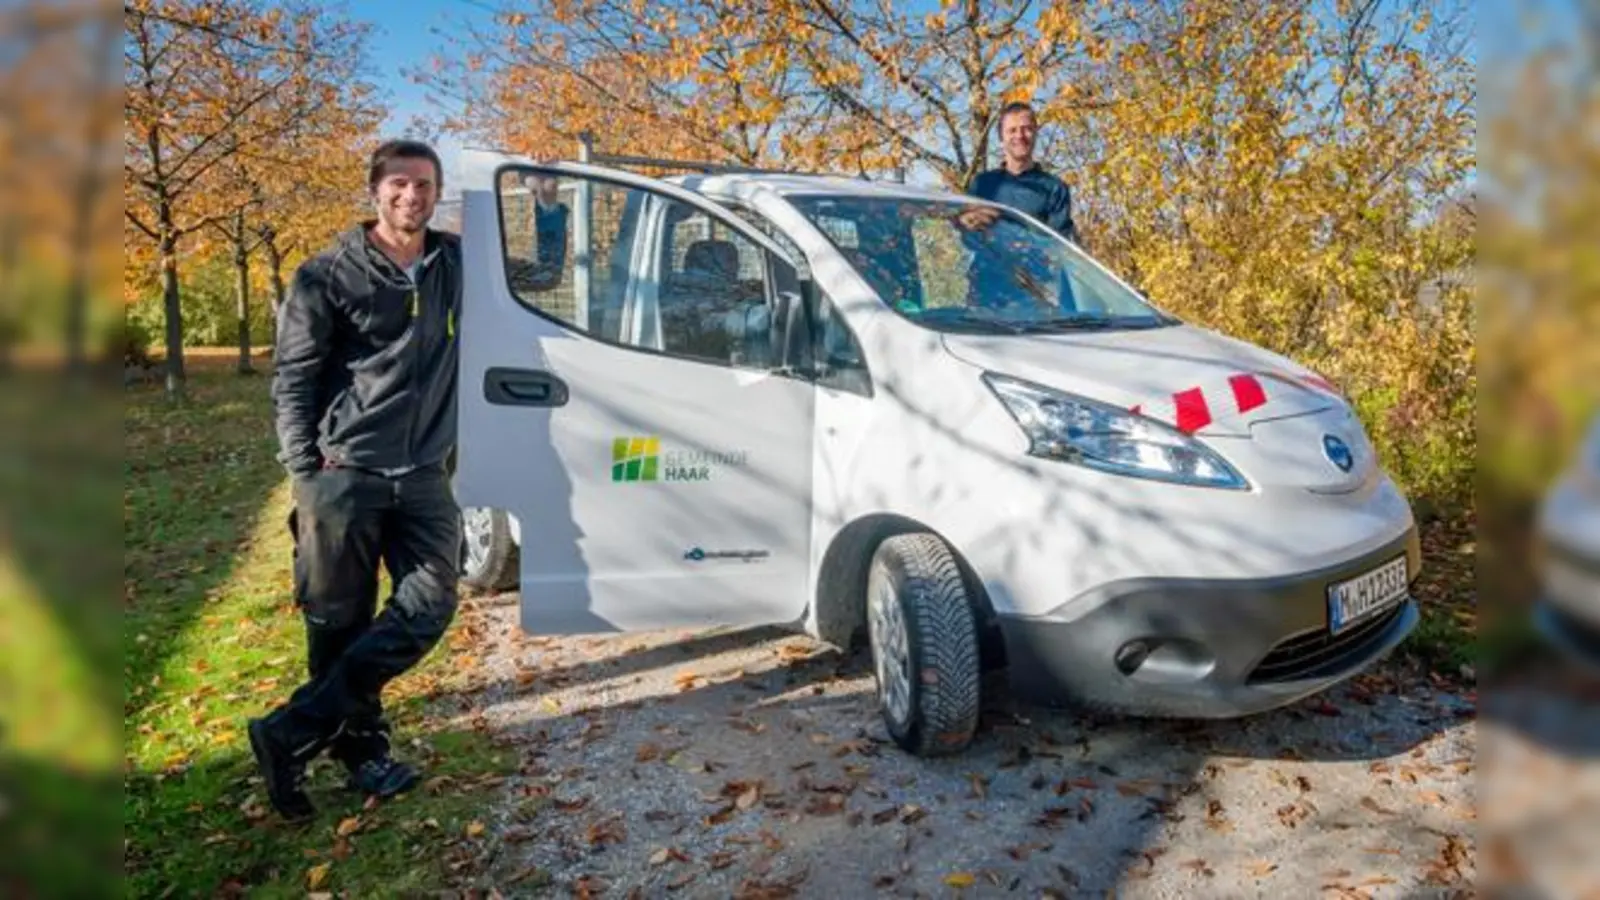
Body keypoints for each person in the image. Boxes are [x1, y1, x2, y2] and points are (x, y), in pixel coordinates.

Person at [249, 138, 468, 821]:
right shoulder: (325, 275)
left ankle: (289, 731)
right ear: (376, 191)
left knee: (429, 603)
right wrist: (304, 471)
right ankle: (362, 753)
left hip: (424, 471)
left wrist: (548, 208)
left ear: (437, 192)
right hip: (344, 472)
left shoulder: (456, 262)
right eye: (399, 184)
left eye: (424, 185)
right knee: (338, 622)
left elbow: (540, 280)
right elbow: (294, 378)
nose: (412, 196)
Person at [963, 101, 1077, 243]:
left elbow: (1059, 246)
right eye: (1012, 130)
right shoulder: (981, 184)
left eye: (1026, 129)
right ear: (1001, 138)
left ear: (1035, 133)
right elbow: (968, 239)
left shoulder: (1055, 189)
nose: (1020, 136)